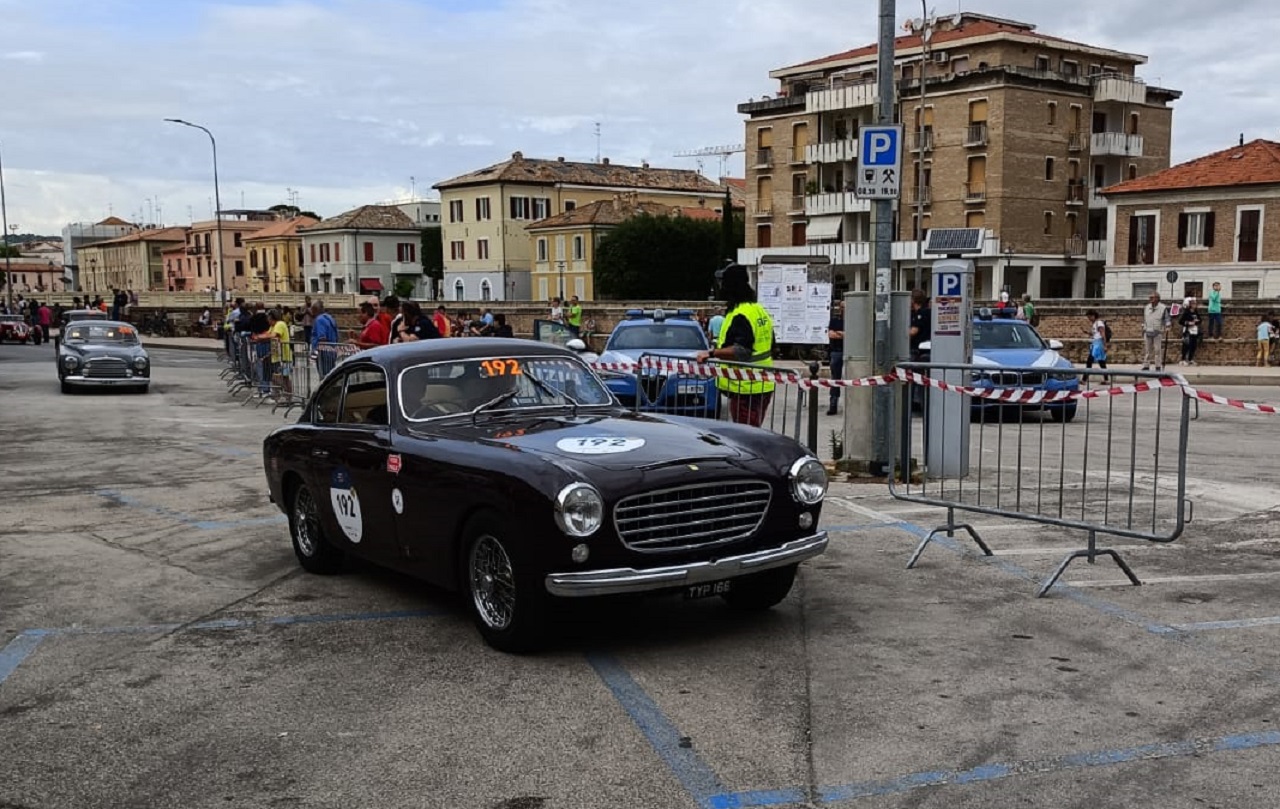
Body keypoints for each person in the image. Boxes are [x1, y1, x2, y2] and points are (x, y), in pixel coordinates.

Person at [695, 263, 775, 427]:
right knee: (753, 432)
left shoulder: (740, 315)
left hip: (746, 387)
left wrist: (711, 353)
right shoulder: (758, 310)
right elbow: (772, 344)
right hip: (762, 383)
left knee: (746, 437)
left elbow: (741, 351)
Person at [1141, 292, 1171, 371]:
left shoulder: (1162, 308)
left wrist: (1167, 325)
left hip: (1157, 331)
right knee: (1147, 350)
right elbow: (1145, 318)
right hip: (1148, 330)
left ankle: (1158, 365)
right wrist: (1143, 327)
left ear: (1157, 298)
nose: (1150, 299)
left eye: (1152, 297)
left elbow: (1166, 318)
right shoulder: (1147, 307)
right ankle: (1146, 365)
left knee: (1157, 350)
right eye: (1150, 297)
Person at [310, 302, 340, 377]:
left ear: (315, 310)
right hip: (332, 352)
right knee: (330, 376)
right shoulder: (330, 318)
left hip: (323, 354)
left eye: (312, 310)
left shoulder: (319, 320)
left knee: (324, 376)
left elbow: (322, 338)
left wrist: (316, 353)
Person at [268, 309, 293, 398]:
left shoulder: (280, 324)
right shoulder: (272, 326)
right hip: (277, 356)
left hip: (284, 356)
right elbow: (268, 334)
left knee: (285, 377)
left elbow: (274, 335)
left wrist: (260, 336)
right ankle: (277, 395)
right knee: (276, 376)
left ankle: (288, 396)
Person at [826, 300, 845, 416]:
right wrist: (844, 334)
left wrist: (840, 334)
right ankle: (833, 403)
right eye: (842, 308)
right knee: (835, 379)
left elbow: (853, 335)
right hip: (837, 351)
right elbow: (831, 334)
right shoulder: (835, 320)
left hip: (850, 352)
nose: (842, 310)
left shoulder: (854, 321)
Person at [1085, 309, 1109, 382]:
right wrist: (1087, 333)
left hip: (1098, 344)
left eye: (1089, 317)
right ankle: (1106, 379)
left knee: (1090, 361)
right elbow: (1095, 334)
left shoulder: (1099, 323)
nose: (1089, 319)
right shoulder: (1095, 323)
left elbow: (1103, 334)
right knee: (1101, 362)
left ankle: (1084, 379)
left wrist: (1105, 346)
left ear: (1093, 316)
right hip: (1096, 343)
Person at [1178, 297, 1203, 366]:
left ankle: (1190, 359)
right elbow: (1180, 321)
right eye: (1193, 304)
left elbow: (1200, 320)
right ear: (1190, 305)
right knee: (1186, 345)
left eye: (1195, 304)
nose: (1195, 305)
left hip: (1194, 330)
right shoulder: (1186, 312)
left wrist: (1197, 322)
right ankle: (1183, 359)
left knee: (1193, 345)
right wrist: (1188, 323)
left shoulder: (1196, 312)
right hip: (1188, 330)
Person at [909, 289, 930, 361]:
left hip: (917, 349)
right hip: (922, 348)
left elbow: (913, 331)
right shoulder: (916, 313)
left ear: (913, 300)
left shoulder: (921, 313)